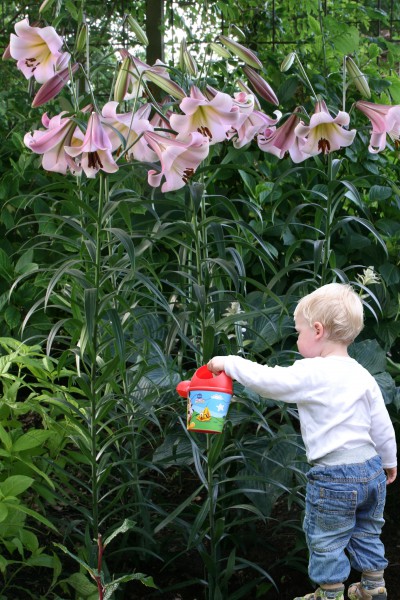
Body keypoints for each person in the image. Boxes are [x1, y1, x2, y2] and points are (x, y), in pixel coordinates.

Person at [207, 283, 397, 600]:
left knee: (326, 536)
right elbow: (382, 425)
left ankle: (330, 592)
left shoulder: (312, 371)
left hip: (334, 476)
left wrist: (229, 363)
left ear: (318, 331)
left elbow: (269, 381)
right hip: (371, 470)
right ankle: (373, 584)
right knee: (366, 530)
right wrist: (389, 461)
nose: (297, 339)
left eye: (299, 332)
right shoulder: (362, 375)